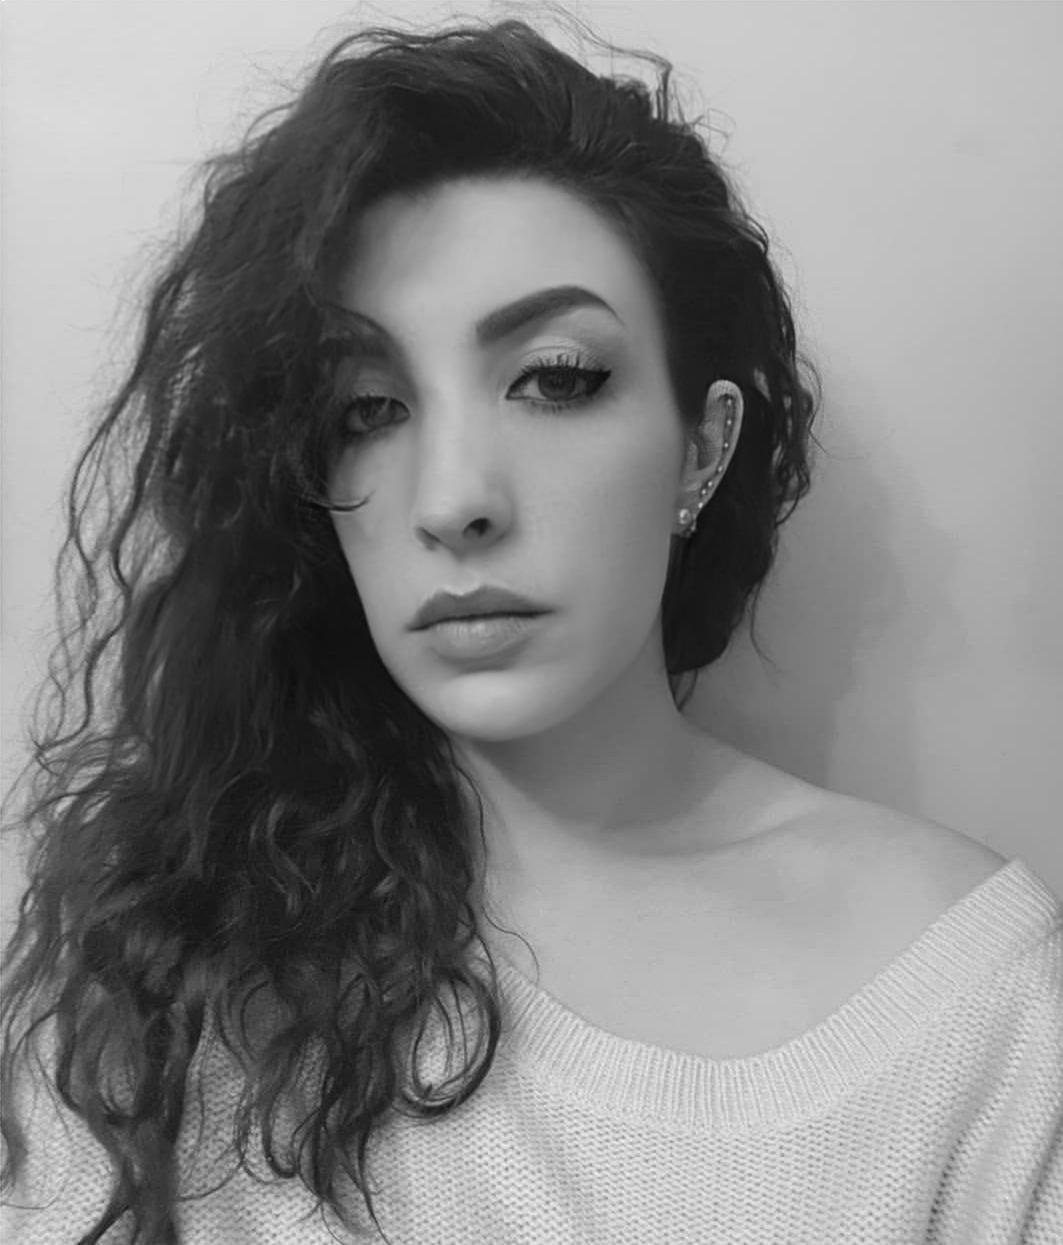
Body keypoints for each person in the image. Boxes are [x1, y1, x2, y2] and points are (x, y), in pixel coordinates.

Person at [2, 10, 1060, 1245]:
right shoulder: (174, 960)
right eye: (366, 410)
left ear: (702, 447)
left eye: (555, 379)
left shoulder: (968, 1001)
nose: (452, 500)